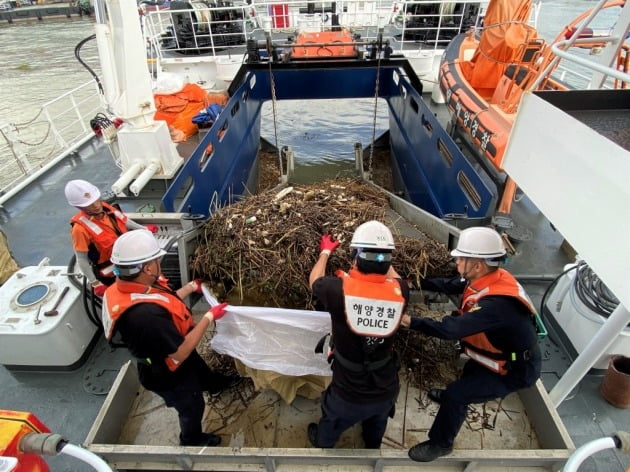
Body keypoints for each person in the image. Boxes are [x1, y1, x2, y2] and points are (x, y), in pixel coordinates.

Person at [401, 226, 541, 462]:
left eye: (461, 258)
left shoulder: (496, 305)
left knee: (458, 394)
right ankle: (448, 399)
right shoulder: (490, 278)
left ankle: (441, 443)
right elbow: (452, 285)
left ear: (477, 264)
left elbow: (448, 330)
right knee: (469, 373)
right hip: (496, 355)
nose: (456, 262)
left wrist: (409, 321)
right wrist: (412, 281)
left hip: (514, 370)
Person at [101, 229, 241, 447]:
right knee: (191, 405)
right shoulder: (144, 317)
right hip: (166, 372)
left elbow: (163, 301)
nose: (159, 263)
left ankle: (215, 384)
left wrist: (190, 287)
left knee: (201, 370)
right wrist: (209, 316)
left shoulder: (128, 286)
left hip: (170, 344)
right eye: (157, 260)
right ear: (147, 268)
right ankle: (192, 438)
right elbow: (181, 352)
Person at [307, 220, 409, 449]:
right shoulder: (401, 291)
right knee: (376, 426)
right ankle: (372, 444)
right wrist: (383, 255)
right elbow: (396, 277)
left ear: (355, 258)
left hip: (347, 393)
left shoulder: (336, 290)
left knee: (331, 422)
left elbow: (314, 280)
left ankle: (323, 442)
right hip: (386, 389)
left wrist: (325, 252)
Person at [65, 179, 152, 295]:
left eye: (96, 201)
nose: (96, 206)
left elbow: (124, 220)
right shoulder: (79, 229)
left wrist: (143, 229)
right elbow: (81, 259)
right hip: (111, 274)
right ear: (79, 207)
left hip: (129, 259)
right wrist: (95, 283)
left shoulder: (106, 208)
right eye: (90, 205)